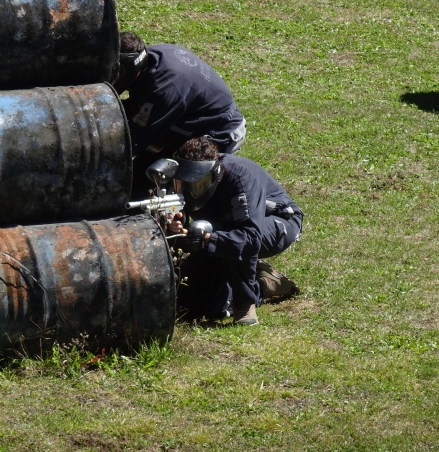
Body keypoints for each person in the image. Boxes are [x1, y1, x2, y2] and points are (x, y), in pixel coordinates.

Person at [167, 137, 303, 326]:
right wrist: (174, 223)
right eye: (182, 183)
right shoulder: (183, 173)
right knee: (192, 303)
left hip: (278, 221)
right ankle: (263, 282)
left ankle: (245, 304)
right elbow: (179, 211)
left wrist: (207, 239)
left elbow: (249, 238)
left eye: (196, 184)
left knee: (233, 237)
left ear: (213, 176)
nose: (188, 190)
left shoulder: (240, 177)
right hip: (224, 227)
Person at [114, 32, 247, 159]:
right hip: (183, 120)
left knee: (180, 175)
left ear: (131, 67)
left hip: (217, 133)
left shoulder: (165, 90)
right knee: (142, 172)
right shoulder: (152, 58)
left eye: (118, 70)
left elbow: (133, 141)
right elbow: (138, 105)